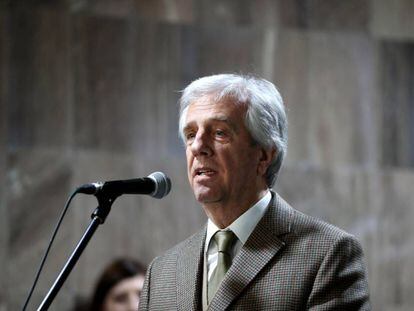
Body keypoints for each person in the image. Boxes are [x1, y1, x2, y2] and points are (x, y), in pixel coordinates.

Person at [138, 74, 371, 310]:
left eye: (219, 132)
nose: (197, 146)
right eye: (190, 135)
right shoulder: (161, 273)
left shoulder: (328, 254)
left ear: (264, 155)